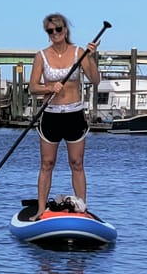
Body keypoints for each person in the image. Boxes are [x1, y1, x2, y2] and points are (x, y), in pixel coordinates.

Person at [27, 13, 100, 221]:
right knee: (47, 163)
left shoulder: (79, 53)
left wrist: (91, 57)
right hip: (50, 115)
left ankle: (81, 209)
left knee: (76, 163)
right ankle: (41, 210)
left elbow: (95, 80)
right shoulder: (41, 56)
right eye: (50, 31)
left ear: (65, 30)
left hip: (74, 114)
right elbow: (33, 87)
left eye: (58, 29)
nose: (54, 34)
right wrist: (49, 87)